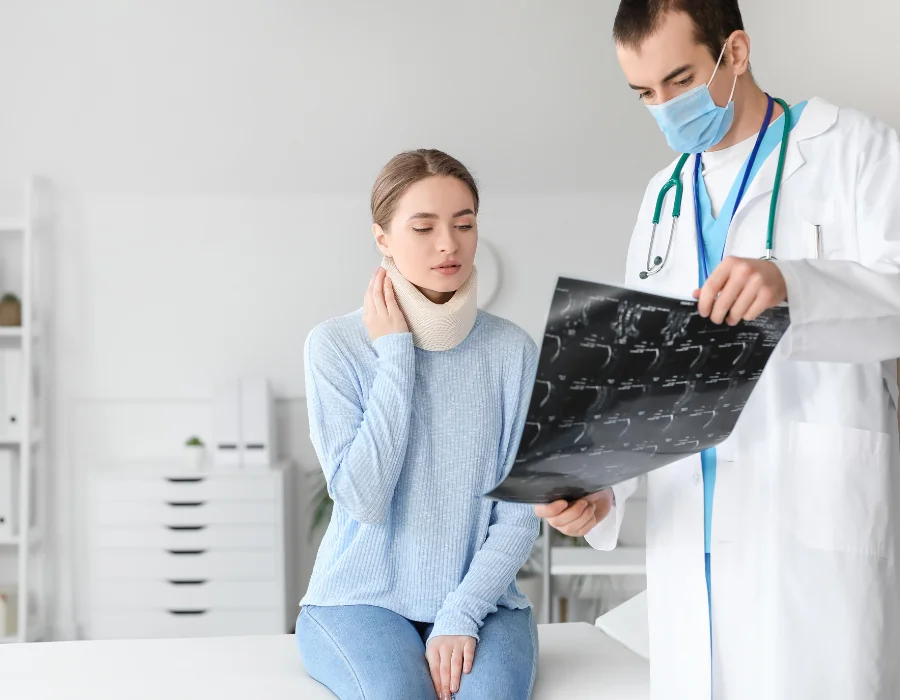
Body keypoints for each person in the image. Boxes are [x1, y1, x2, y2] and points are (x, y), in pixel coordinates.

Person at [537, 2, 900, 698]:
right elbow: (642, 371)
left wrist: (794, 282)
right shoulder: (661, 200)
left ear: (735, 52)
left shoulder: (851, 149)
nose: (666, 109)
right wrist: (600, 490)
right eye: (645, 94)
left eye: (680, 80)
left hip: (807, 541)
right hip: (690, 547)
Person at [296, 149, 541, 700]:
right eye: (423, 227)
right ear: (382, 238)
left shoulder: (512, 351)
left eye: (464, 224)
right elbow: (363, 498)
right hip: (359, 599)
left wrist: (461, 614)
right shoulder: (334, 346)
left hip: (483, 600)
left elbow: (520, 516)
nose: (448, 244)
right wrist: (397, 356)